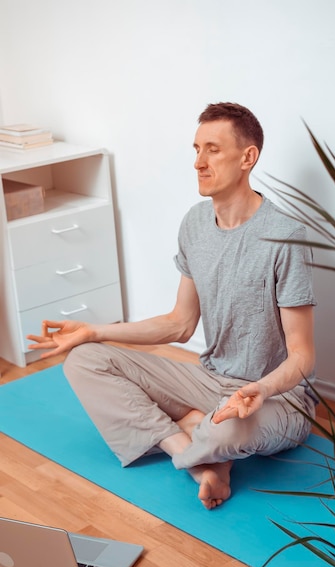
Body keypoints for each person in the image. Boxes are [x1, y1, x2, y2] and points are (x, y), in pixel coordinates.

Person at [27, 102, 317, 510]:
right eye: (196, 149)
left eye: (213, 149)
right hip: (211, 381)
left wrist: (260, 389)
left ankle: (197, 433)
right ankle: (196, 456)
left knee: (225, 433)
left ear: (247, 157)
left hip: (275, 398)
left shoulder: (285, 237)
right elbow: (179, 324)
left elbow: (303, 355)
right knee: (83, 360)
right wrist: (94, 331)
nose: (199, 161)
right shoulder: (195, 224)